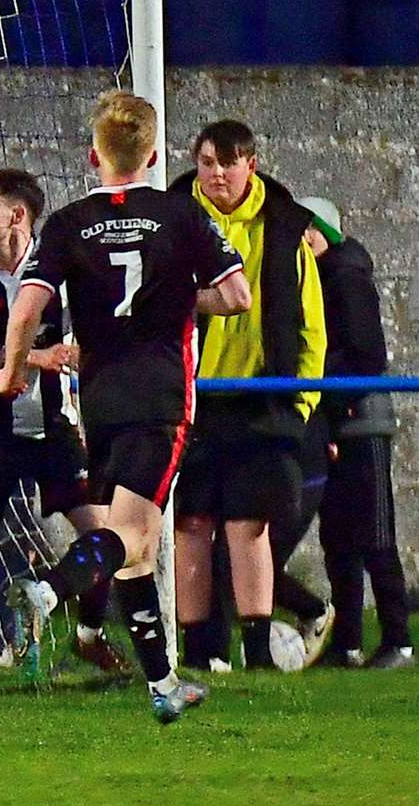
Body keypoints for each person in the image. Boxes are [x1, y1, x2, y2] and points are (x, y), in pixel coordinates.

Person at [1, 90, 250, 724]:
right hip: (160, 396)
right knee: (132, 536)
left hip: (101, 402)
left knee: (135, 551)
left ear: (94, 156)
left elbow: (27, 308)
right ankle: (50, 590)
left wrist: (11, 372)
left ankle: (163, 684)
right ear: (155, 154)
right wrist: (180, 301)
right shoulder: (182, 215)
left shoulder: (66, 222)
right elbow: (238, 296)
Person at [0, 168, 131, 688]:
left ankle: (86, 632)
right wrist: (37, 357)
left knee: (105, 531)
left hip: (56, 427)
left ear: (16, 216)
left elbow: (98, 335)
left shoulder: (65, 273)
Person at [166, 120, 325, 673]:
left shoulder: (282, 227)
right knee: (190, 524)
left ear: (250, 165)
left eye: (227, 163)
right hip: (190, 401)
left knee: (248, 523)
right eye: (207, 162)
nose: (216, 174)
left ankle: (256, 653)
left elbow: (312, 330)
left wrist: (299, 403)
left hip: (260, 402)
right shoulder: (171, 220)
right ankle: (197, 650)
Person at [299, 197, 412, 668]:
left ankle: (398, 641)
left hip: (362, 421)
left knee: (375, 533)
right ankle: (346, 642)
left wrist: (330, 394)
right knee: (338, 537)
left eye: (308, 232)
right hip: (336, 419)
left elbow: (368, 356)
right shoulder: (321, 277)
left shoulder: (348, 277)